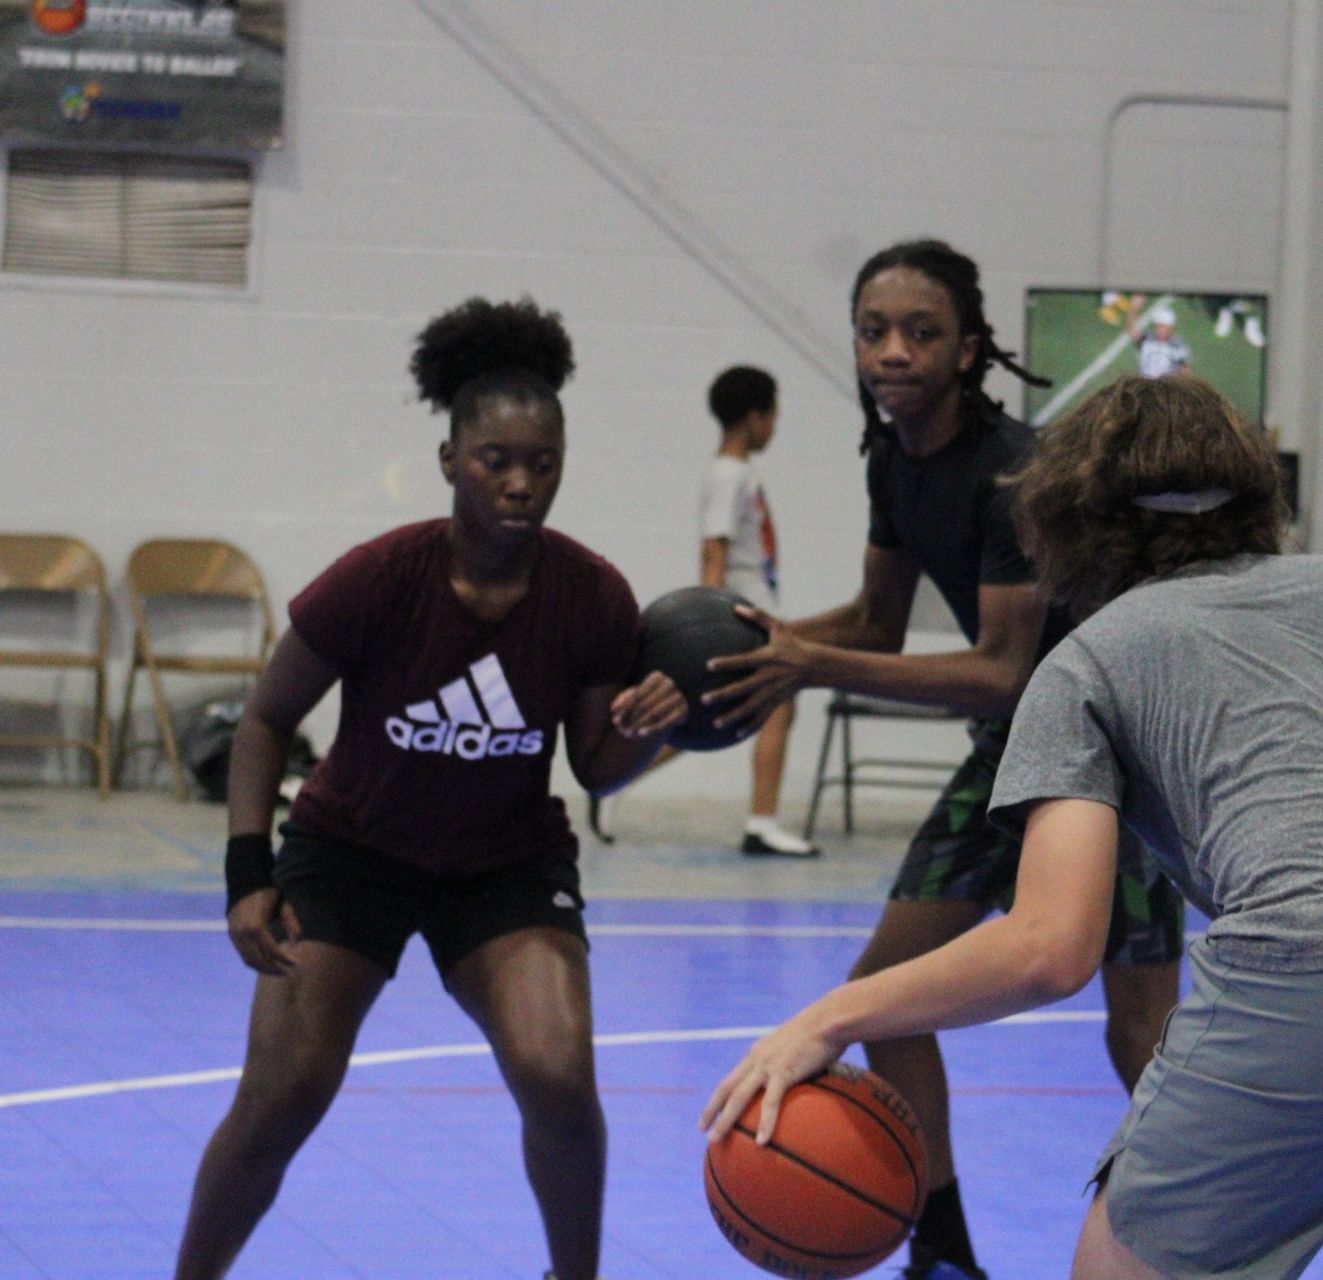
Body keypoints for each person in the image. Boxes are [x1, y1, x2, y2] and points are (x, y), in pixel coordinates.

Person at [705, 374, 1323, 1280]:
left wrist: (826, 1019)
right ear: (1260, 494)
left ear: (1063, 520)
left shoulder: (1088, 662)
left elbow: (1048, 951)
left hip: (1318, 976)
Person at [172, 297, 688, 1280]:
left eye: (544, 462)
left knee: (559, 1077)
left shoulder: (592, 595)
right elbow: (265, 720)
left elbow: (592, 765)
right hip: (350, 853)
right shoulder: (379, 576)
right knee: (283, 1093)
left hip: (503, 866)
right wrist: (248, 873)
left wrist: (657, 731)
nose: (522, 481)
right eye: (497, 458)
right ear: (451, 458)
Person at [702, 241, 1187, 1280]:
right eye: (874, 330)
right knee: (885, 991)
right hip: (1019, 748)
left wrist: (808, 663)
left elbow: (1008, 666)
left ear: (969, 350)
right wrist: (766, 643)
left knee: (1140, 1029)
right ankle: (946, 1249)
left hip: (1120, 743)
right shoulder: (892, 457)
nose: (892, 350)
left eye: (921, 332)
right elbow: (879, 622)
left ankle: (1198, 1233)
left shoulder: (1018, 468)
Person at [700, 364, 817, 857]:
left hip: (753, 607)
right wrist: (709, 616)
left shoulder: (738, 472)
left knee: (711, 714)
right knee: (778, 701)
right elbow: (714, 550)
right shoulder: (729, 474)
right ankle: (762, 822)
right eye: (773, 414)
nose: (775, 425)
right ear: (754, 416)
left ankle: (620, 777)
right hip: (743, 612)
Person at [1123, 300, 1190, 379]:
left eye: (1164, 327)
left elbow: (1184, 371)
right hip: (1144, 382)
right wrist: (1133, 310)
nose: (1161, 330)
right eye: (1159, 326)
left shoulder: (1177, 346)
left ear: (1171, 329)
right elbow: (1130, 329)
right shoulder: (1147, 340)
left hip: (1164, 386)